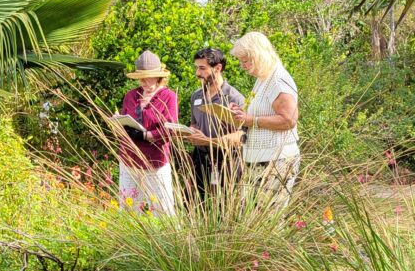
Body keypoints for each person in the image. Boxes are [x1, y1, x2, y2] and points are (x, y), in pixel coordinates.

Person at [229, 31, 300, 202]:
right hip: (259, 160)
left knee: (270, 218)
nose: (242, 65)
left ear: (258, 56)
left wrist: (252, 120)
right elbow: (261, 112)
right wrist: (241, 113)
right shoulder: (263, 78)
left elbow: (289, 119)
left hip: (276, 160)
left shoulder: (278, 79)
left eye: (245, 60)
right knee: (255, 218)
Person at [115, 50, 179, 214]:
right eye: (140, 76)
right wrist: (118, 123)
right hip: (129, 160)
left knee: (163, 210)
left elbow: (171, 128)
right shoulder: (131, 96)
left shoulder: (168, 96)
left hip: (155, 161)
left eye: (147, 76)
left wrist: (147, 135)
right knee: (128, 209)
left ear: (158, 76)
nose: (143, 80)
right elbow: (124, 122)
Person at [182, 47, 246, 203]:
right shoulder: (196, 96)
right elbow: (195, 124)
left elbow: (241, 136)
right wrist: (190, 132)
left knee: (223, 208)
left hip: (226, 162)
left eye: (202, 68)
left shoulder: (234, 98)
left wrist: (208, 141)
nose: (198, 73)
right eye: (196, 67)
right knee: (194, 206)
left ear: (218, 68)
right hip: (200, 160)